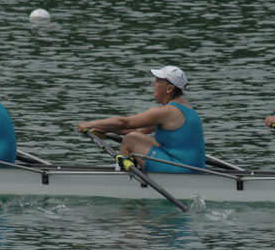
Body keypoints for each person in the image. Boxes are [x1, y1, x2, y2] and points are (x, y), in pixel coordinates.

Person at [77, 65, 205, 173]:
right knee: (136, 137)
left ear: (170, 88)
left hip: (182, 170)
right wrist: (105, 129)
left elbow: (125, 122)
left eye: (158, 81)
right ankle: (127, 168)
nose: (153, 83)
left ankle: (122, 178)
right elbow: (138, 130)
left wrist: (89, 123)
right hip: (190, 167)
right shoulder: (184, 108)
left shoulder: (168, 111)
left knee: (131, 140)